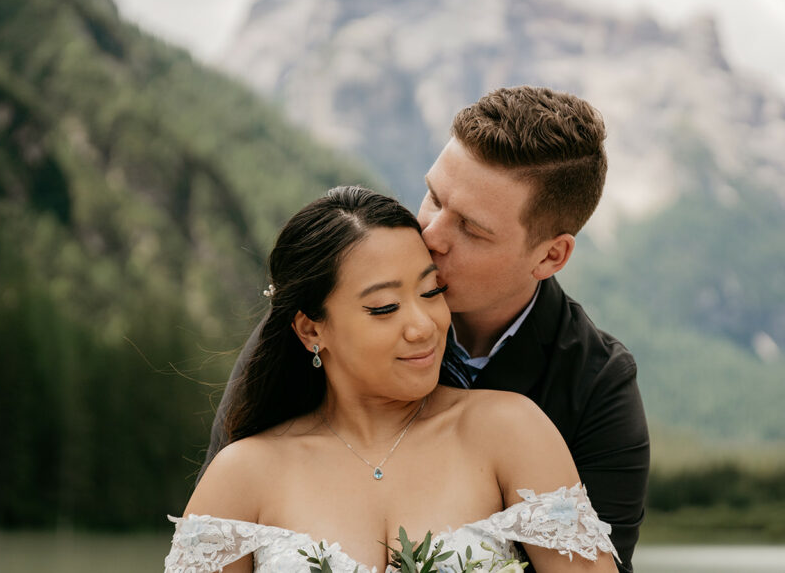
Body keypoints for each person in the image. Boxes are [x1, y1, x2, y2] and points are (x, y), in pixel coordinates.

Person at [203, 87, 650, 572]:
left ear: (550, 256)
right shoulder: (324, 320)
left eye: (473, 230)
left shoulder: (596, 383)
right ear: (314, 333)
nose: (431, 235)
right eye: (434, 198)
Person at [166, 186, 619, 573]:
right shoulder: (243, 474)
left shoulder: (509, 429)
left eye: (431, 292)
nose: (423, 325)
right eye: (384, 308)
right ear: (311, 329)